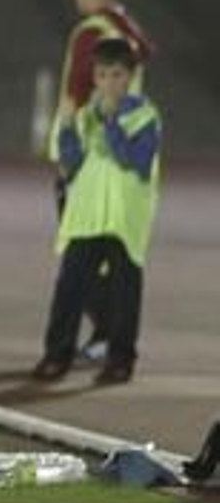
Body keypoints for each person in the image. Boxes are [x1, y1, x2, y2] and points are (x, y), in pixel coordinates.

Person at [32, 38, 160, 385]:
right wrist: (70, 128)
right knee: (70, 288)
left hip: (123, 220)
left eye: (117, 75)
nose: (108, 83)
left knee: (124, 292)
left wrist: (112, 121)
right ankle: (57, 355)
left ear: (131, 76)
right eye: (102, 75)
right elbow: (71, 164)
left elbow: (134, 160)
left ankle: (120, 360)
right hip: (87, 216)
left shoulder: (145, 116)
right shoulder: (89, 115)